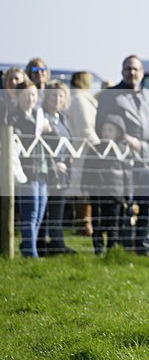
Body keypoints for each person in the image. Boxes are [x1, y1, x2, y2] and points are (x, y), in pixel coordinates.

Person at [96, 55, 149, 255]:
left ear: (142, 72)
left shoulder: (148, 96)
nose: (132, 73)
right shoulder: (110, 96)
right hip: (124, 159)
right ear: (122, 71)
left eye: (135, 69)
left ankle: (144, 248)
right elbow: (102, 126)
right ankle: (123, 249)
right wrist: (124, 138)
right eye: (128, 69)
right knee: (127, 205)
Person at [9, 80, 51, 258]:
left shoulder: (40, 116)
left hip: (42, 169)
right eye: (26, 95)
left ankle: (28, 248)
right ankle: (30, 253)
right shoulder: (14, 118)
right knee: (30, 213)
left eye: (33, 95)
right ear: (18, 97)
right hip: (27, 171)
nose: (30, 99)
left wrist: (50, 128)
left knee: (40, 213)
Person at [83, 114, 130, 255]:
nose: (106, 133)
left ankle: (112, 250)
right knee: (97, 223)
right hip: (97, 193)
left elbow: (127, 173)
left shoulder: (122, 150)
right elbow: (87, 168)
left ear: (118, 132)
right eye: (104, 130)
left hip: (115, 194)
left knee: (113, 224)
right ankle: (98, 249)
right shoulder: (95, 149)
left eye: (110, 130)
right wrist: (85, 186)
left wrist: (127, 194)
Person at [40, 81, 76, 255]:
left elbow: (69, 143)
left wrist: (67, 162)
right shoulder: (42, 117)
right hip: (47, 170)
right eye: (53, 95)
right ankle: (40, 245)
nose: (56, 98)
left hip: (63, 172)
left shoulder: (63, 118)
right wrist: (54, 164)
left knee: (57, 211)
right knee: (42, 211)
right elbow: (39, 146)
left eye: (60, 95)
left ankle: (56, 243)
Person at [65, 71, 100, 237]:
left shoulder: (79, 98)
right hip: (85, 150)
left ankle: (84, 224)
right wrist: (100, 147)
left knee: (82, 190)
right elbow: (86, 127)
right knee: (83, 190)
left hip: (82, 149)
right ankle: (84, 225)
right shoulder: (80, 100)